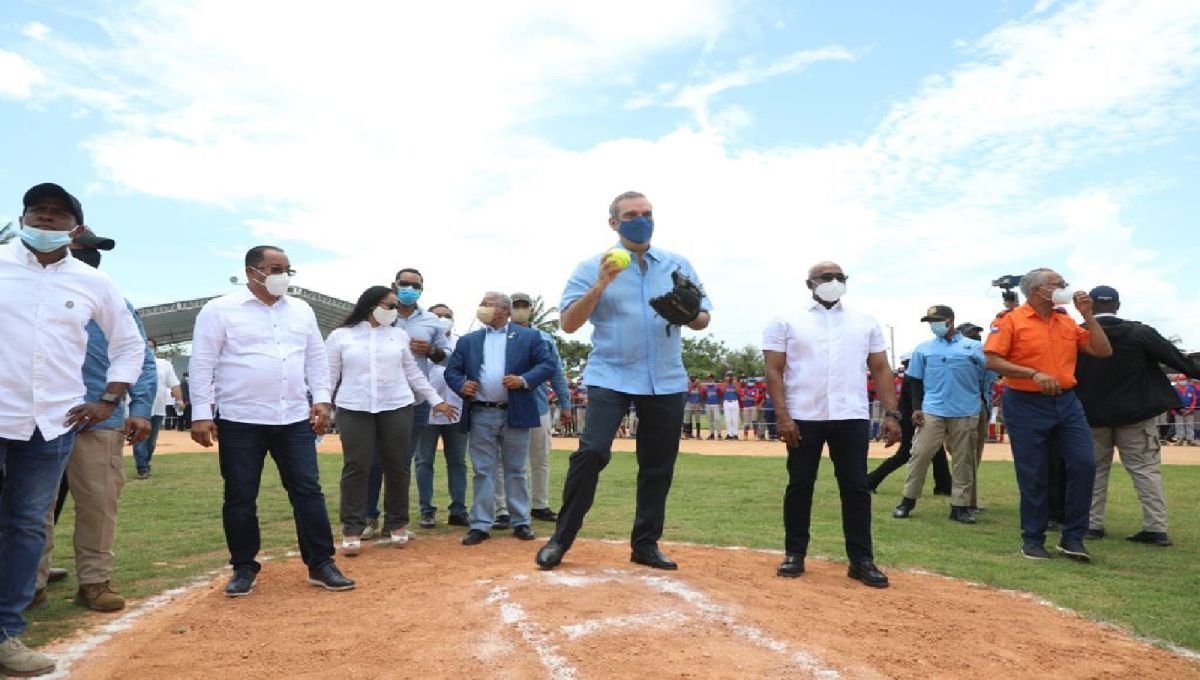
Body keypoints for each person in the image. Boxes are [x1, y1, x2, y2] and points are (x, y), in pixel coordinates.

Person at [0, 183, 145, 677]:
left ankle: (7, 633)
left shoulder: (94, 283)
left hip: (53, 425)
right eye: (36, 211)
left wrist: (109, 399)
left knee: (25, 524)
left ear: (74, 228)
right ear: (21, 218)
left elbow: (131, 346)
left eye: (56, 213)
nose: (44, 219)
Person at [536, 190, 712, 571]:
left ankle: (645, 545)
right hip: (610, 374)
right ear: (614, 223)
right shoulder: (591, 266)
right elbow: (568, 324)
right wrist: (600, 284)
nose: (641, 219)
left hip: (664, 379)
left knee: (658, 464)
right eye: (632, 214)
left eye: (647, 213)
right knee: (592, 453)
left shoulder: (676, 264)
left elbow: (703, 320)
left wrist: (688, 309)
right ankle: (560, 539)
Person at [189, 245, 354, 596]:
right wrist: (201, 413)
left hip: (293, 417)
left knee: (308, 491)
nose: (282, 275)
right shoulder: (219, 310)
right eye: (274, 268)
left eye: (287, 269)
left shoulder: (302, 310)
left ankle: (321, 564)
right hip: (240, 418)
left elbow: (315, 359)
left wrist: (322, 400)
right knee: (240, 496)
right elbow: (202, 363)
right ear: (251, 272)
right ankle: (244, 567)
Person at [32, 227, 157, 615]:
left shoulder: (114, 299)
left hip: (100, 420)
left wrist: (138, 408)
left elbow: (141, 357)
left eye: (94, 250)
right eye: (80, 248)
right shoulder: (30, 298)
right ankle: (28, 583)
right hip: (38, 420)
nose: (88, 255)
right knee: (32, 508)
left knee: (98, 506)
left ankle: (94, 582)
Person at [763, 261, 899, 587]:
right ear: (810, 283)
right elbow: (774, 370)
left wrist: (892, 415)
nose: (834, 281)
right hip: (803, 417)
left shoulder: (864, 322)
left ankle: (861, 560)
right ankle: (794, 554)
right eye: (827, 277)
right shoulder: (785, 319)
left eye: (840, 277)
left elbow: (880, 368)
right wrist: (783, 415)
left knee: (855, 488)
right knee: (800, 486)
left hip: (850, 415)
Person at [983, 268, 1111, 562]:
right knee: (1033, 473)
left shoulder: (1066, 320)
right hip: (1025, 403)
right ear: (1040, 290)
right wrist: (1033, 373)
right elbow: (991, 359)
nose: (1065, 288)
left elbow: (1102, 351)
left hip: (1066, 403)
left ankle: (1073, 538)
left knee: (1084, 464)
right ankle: (1033, 538)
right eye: (1059, 284)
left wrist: (1088, 316)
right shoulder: (1010, 320)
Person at [326, 286, 455, 555]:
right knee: (356, 466)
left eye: (395, 307)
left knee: (397, 466)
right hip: (354, 407)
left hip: (396, 405)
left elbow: (413, 373)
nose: (394, 311)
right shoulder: (341, 336)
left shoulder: (398, 336)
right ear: (371, 305)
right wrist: (322, 406)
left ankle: (397, 523)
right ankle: (352, 527)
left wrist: (436, 400)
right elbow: (329, 375)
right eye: (389, 305)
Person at [1075, 285, 1200, 547]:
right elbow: (1181, 362)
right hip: (1136, 413)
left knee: (1094, 471)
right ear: (1117, 306)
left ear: (1090, 306)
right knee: (1145, 471)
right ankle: (1155, 527)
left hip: (1091, 414)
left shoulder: (1077, 333)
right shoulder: (1139, 332)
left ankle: (1092, 524)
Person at [444, 292, 556, 545]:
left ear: (505, 311)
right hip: (481, 411)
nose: (482, 307)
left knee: (516, 469)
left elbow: (547, 365)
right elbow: (452, 370)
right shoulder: (469, 340)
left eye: (488, 304)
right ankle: (481, 524)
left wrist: (523, 380)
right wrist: (462, 385)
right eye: (481, 302)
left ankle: (521, 521)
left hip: (514, 412)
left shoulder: (529, 336)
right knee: (483, 470)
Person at [361, 267, 452, 540]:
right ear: (394, 284)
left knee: (400, 463)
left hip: (415, 401)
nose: (410, 289)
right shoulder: (379, 316)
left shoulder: (433, 322)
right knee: (374, 461)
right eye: (405, 284)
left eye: (416, 286)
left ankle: (395, 522)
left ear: (422, 290)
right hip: (380, 400)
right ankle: (368, 518)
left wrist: (432, 351)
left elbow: (448, 357)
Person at [891, 306, 987, 524]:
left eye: (937, 320)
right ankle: (907, 500)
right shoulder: (924, 349)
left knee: (964, 460)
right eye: (930, 321)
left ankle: (960, 506)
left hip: (965, 409)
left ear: (950, 320)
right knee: (920, 454)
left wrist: (979, 400)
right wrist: (916, 407)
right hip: (933, 409)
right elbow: (915, 379)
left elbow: (988, 375)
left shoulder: (973, 347)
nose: (933, 325)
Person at [495, 292, 572, 523]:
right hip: (503, 406)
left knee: (540, 458)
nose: (519, 309)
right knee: (502, 460)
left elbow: (556, 373)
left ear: (531, 309)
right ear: (508, 309)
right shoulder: (497, 337)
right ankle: (502, 509)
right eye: (515, 306)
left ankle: (540, 505)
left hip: (537, 406)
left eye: (523, 306)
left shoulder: (545, 338)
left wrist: (565, 403)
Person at [414, 304, 470, 528]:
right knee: (423, 462)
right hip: (426, 411)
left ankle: (458, 509)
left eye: (447, 316)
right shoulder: (418, 342)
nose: (443, 319)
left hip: (456, 411)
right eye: (438, 315)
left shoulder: (462, 344)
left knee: (457, 462)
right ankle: (426, 510)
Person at [866, 358, 952, 494]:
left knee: (937, 451)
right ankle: (870, 481)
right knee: (905, 453)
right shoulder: (913, 377)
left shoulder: (911, 375)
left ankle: (944, 486)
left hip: (913, 418)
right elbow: (915, 401)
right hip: (912, 420)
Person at [133, 338, 183, 479]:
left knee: (151, 441)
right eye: (145, 346)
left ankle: (146, 462)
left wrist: (179, 400)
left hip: (158, 406)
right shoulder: (133, 362)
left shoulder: (164, 365)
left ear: (156, 349)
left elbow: (174, 384)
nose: (148, 349)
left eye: (150, 347)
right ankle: (142, 468)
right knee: (139, 438)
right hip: (138, 407)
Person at [1173, 377, 1198, 445]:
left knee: (1190, 425)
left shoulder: (1191, 389)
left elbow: (1194, 400)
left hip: (1189, 411)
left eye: (1184, 379)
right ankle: (1180, 439)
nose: (1183, 381)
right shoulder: (1174, 389)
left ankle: (1190, 439)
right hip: (1178, 411)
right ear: (1177, 381)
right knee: (1179, 425)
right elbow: (1173, 400)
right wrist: (1178, 409)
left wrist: (1190, 410)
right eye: (1181, 380)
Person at [721, 371, 741, 440]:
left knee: (735, 419)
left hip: (735, 402)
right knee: (727, 419)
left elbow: (738, 392)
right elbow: (722, 391)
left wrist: (735, 383)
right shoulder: (724, 383)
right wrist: (726, 382)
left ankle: (735, 434)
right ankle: (729, 434)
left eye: (731, 376)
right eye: (728, 376)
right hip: (726, 402)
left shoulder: (736, 383)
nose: (730, 377)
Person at [702, 374, 722, 440]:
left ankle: (719, 434)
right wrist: (703, 405)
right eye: (709, 378)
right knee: (710, 420)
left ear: (713, 379)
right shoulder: (705, 388)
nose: (710, 379)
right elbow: (703, 397)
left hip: (716, 405)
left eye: (711, 378)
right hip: (708, 405)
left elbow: (720, 396)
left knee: (717, 419)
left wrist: (720, 404)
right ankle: (712, 434)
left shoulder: (717, 387)